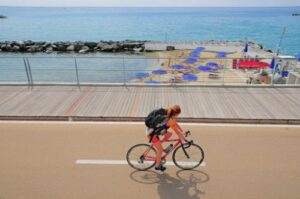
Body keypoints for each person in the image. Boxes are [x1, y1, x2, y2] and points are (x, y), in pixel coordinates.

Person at [145, 104, 187, 172]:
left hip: (154, 129)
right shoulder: (169, 119)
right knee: (160, 150)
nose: (177, 116)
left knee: (169, 134)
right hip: (151, 134)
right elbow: (177, 132)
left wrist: (182, 131)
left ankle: (159, 144)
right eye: (177, 115)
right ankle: (157, 165)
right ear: (175, 114)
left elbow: (175, 124)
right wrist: (183, 139)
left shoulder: (168, 113)